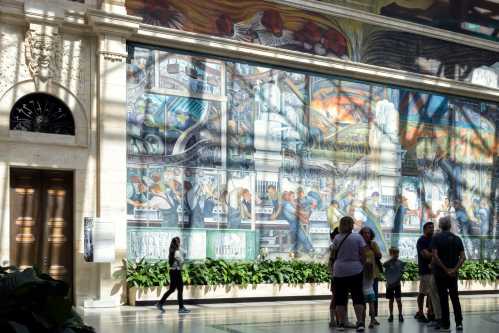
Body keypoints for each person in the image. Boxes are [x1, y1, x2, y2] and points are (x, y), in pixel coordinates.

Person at [331, 216, 367, 332]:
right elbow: (363, 254)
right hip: (355, 270)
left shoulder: (336, 238)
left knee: (340, 298)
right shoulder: (358, 237)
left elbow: (333, 254)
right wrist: (361, 265)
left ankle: (341, 323)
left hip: (339, 271)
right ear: (352, 225)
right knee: (357, 296)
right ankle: (360, 323)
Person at [431, 216, 465, 331]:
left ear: (440, 226)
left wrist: (445, 269)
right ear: (450, 226)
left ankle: (446, 324)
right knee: (455, 297)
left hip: (440, 274)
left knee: (443, 298)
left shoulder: (436, 238)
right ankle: (459, 323)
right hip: (453, 275)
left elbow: (435, 256)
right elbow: (463, 258)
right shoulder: (457, 239)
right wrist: (453, 270)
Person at [415, 222, 441, 326]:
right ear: (424, 229)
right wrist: (435, 255)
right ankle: (420, 312)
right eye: (430, 228)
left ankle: (430, 311)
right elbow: (425, 255)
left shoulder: (433, 239)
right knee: (422, 292)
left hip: (433, 271)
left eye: (433, 227)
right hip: (425, 270)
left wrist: (434, 255)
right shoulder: (421, 240)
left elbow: (436, 253)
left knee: (432, 293)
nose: (432, 229)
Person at [156, 237, 191, 314]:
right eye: (179, 242)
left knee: (172, 289)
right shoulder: (176, 252)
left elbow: (184, 253)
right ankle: (181, 307)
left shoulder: (172, 250)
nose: (180, 243)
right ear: (177, 243)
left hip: (173, 272)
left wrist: (179, 248)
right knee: (180, 289)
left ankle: (160, 303)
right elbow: (182, 259)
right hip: (176, 272)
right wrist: (181, 253)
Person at [359, 227, 381, 328]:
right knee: (363, 300)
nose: (366, 235)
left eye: (368, 233)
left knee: (374, 297)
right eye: (364, 233)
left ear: (371, 234)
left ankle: (373, 318)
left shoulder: (373, 244)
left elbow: (379, 255)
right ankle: (362, 320)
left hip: (373, 273)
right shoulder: (359, 244)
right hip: (362, 273)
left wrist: (373, 249)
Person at [383, 247, 405, 323]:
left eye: (397, 253)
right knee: (391, 300)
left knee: (399, 300)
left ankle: (400, 314)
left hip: (397, 284)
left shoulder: (401, 263)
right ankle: (391, 315)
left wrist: (396, 281)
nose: (396, 255)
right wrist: (388, 282)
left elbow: (401, 274)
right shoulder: (387, 263)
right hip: (390, 284)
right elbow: (385, 271)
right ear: (390, 254)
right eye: (394, 253)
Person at [328, 227, 340, 327]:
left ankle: (336, 319)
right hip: (337, 275)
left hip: (337, 275)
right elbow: (331, 262)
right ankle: (334, 319)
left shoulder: (334, 246)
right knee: (336, 297)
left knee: (337, 297)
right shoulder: (334, 247)